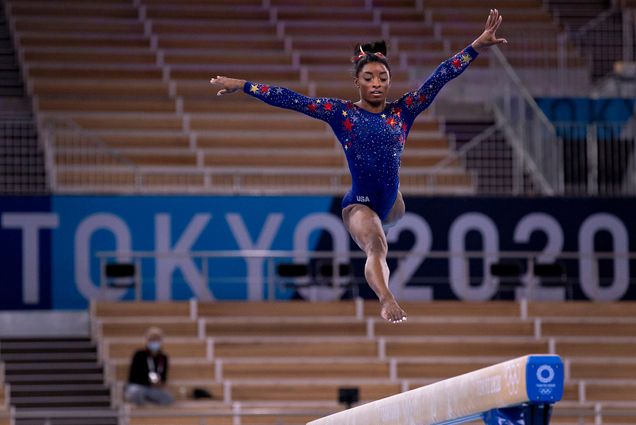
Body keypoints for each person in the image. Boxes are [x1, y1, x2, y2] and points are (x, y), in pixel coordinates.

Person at [210, 10, 507, 323]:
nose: (376, 84)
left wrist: (475, 46)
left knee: (388, 219)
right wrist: (243, 85)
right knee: (376, 245)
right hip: (359, 205)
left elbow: (440, 76)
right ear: (357, 82)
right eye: (368, 78)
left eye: (383, 78)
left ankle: (385, 226)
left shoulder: (404, 110)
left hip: (393, 204)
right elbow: (291, 99)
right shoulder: (341, 113)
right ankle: (387, 298)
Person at [124, 326, 174, 406]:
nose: (155, 342)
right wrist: (149, 380)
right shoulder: (139, 355)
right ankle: (143, 407)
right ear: (147, 341)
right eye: (152, 339)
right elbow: (134, 375)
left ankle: (152, 407)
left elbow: (164, 376)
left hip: (153, 388)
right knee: (136, 393)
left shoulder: (163, 357)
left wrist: (160, 382)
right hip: (139, 386)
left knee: (168, 398)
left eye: (157, 339)